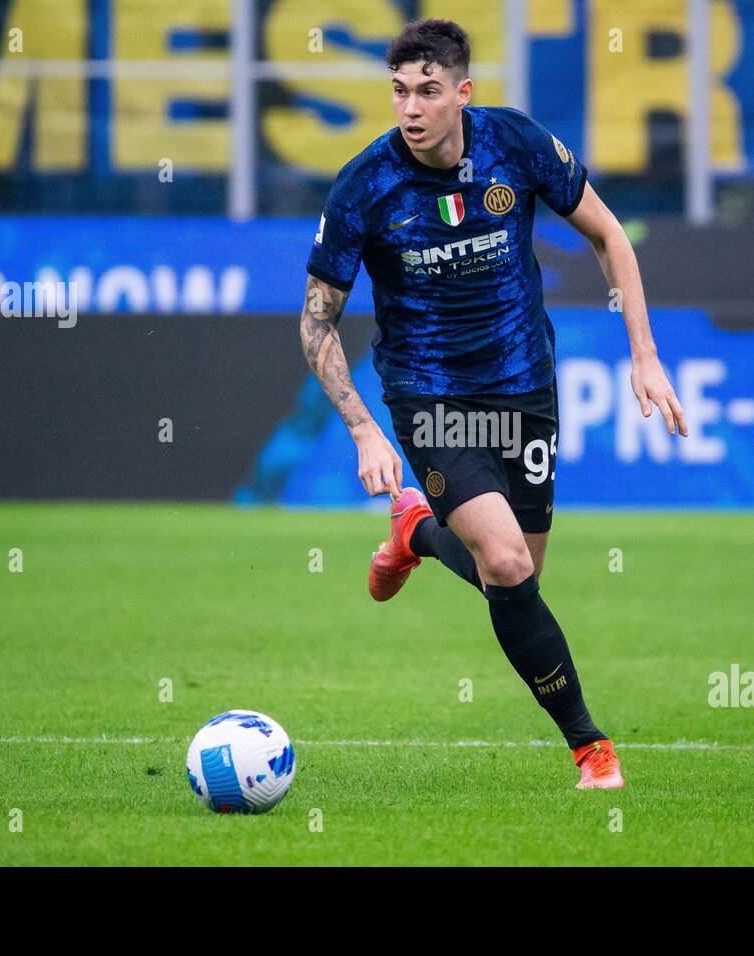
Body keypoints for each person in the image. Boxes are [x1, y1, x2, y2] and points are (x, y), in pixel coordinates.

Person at [299, 18, 686, 789]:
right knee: (505, 561)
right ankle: (590, 748)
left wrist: (645, 355)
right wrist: (364, 430)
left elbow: (611, 236)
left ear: (462, 93)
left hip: (525, 387)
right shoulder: (364, 187)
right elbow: (318, 319)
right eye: (400, 92)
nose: (411, 108)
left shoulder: (515, 144)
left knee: (514, 577)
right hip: (429, 395)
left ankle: (415, 532)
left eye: (428, 91)